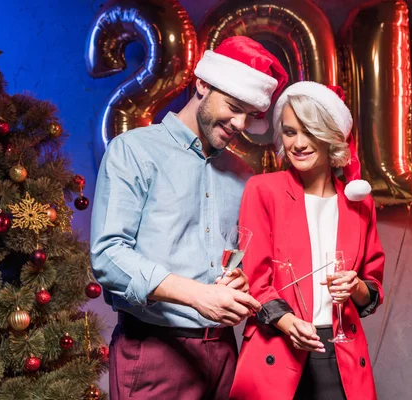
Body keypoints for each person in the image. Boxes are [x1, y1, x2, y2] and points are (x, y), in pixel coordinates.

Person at [89, 36, 288, 399]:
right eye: (233, 106)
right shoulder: (133, 151)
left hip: (225, 352)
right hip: (155, 350)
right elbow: (108, 256)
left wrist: (235, 282)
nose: (240, 123)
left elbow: (235, 258)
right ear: (201, 83)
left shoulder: (243, 174)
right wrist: (198, 296)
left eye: (250, 115)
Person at [229, 81, 385, 400]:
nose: (298, 144)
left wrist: (355, 287)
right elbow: (256, 281)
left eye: (310, 131)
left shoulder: (359, 203)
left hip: (341, 353)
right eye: (289, 132)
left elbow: (373, 285)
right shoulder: (263, 191)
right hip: (279, 346)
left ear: (332, 136)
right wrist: (287, 322)